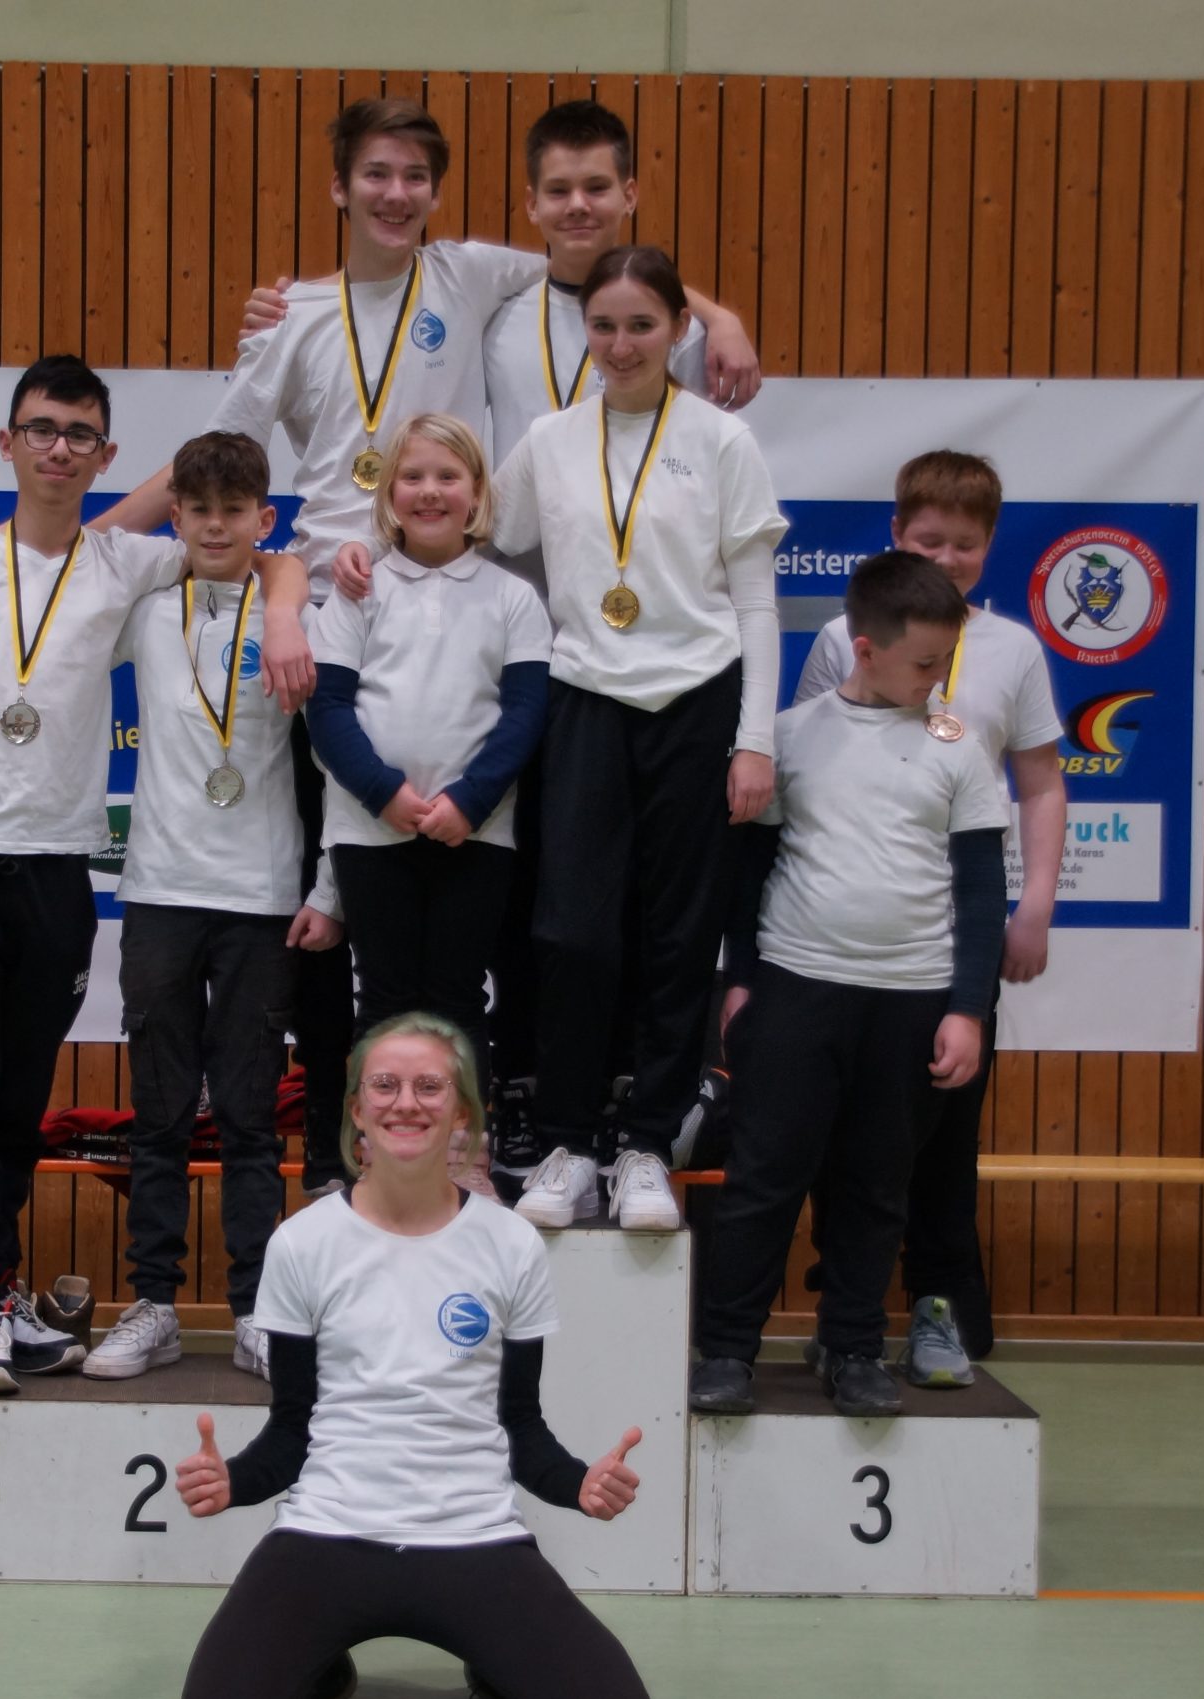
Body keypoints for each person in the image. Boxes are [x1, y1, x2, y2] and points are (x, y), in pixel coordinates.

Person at [109, 96, 760, 1197]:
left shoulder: (467, 274)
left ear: (440, 194)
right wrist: (84, 545)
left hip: (489, 620)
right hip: (336, 617)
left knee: (515, 901)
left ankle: (525, 1114)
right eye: (376, 173)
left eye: (415, 176)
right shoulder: (293, 315)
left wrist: (721, 315)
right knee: (330, 903)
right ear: (339, 186)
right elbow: (211, 457)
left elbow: (603, 263)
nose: (396, 193)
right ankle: (338, 1147)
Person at [0, 358, 314, 1396]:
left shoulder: (127, 564)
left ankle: (2, 1290)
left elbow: (259, 545)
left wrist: (289, 604)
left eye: (79, 434)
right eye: (40, 429)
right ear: (7, 442)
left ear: (105, 453)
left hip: (56, 865)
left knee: (20, 1096)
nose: (58, 448)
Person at [172, 1011, 652, 1699]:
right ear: (356, 1110)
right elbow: (291, 1432)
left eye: (429, 1086)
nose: (406, 1102)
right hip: (326, 1533)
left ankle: (494, 1660)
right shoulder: (302, 1243)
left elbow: (520, 1426)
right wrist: (233, 1482)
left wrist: (578, 1484)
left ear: (462, 1114)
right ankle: (318, 1664)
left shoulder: (511, 1243)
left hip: (475, 1539)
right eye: (385, 1085)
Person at [475, 245, 787, 1234]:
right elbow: (477, 531)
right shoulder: (549, 439)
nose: (620, 344)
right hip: (584, 699)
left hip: (698, 700)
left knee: (678, 936)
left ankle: (647, 1143)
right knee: (569, 933)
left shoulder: (722, 440)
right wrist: (369, 552)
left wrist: (754, 741)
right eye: (603, 326)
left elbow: (756, 602)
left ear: (678, 330)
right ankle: (569, 1144)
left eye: (641, 325)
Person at [690, 552, 1009, 1420]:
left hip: (912, 999)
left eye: (946, 661)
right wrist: (741, 980)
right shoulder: (790, 737)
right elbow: (749, 873)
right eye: (924, 662)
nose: (937, 676)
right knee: (764, 1175)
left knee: (877, 1185)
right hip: (796, 988)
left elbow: (983, 893)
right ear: (865, 649)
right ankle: (727, 1348)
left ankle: (855, 1344)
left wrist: (966, 1009)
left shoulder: (959, 748)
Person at [778, 449, 1067, 1376]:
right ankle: (847, 1316)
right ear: (897, 534)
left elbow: (1041, 782)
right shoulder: (843, 638)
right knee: (845, 1138)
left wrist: (1035, 904)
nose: (947, 558)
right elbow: (807, 767)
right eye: (929, 540)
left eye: (966, 544)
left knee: (942, 1137)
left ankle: (940, 1310)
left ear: (992, 545)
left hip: (957, 936)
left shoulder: (1014, 649)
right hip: (852, 933)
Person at [82, 431, 343, 1387]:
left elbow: (335, 767)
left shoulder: (300, 618)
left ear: (264, 518)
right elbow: (81, 558)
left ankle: (253, 1309)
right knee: (158, 1115)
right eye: (197, 510)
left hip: (261, 898)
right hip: (158, 890)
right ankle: (153, 1303)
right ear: (177, 517)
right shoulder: (146, 608)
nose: (216, 526)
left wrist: (327, 887)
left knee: (247, 1120)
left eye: (235, 511)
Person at [306, 414, 550, 1112]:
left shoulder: (513, 597)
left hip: (476, 832)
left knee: (456, 994)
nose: (430, 491)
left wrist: (470, 801)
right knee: (382, 996)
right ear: (388, 493)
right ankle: (378, 1151)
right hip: (370, 829)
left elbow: (525, 713)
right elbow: (328, 708)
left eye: (448, 476)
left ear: (477, 492)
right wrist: (383, 793)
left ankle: (461, 1151)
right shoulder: (358, 591)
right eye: (412, 476)